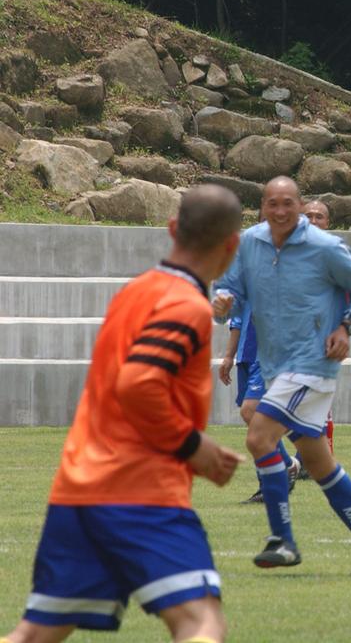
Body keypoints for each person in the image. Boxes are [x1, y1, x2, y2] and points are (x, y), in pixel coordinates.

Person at [3, 185, 243, 643]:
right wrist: (196, 448)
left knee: (35, 634)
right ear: (232, 244)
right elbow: (138, 383)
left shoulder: (136, 291)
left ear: (173, 230)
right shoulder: (187, 306)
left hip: (79, 489)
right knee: (201, 624)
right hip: (140, 492)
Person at [212, 176, 351, 575]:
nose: (280, 212)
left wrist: (346, 327)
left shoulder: (325, 247)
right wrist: (222, 303)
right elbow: (228, 290)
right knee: (319, 464)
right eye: (272, 204)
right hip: (276, 364)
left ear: (300, 206)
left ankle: (283, 540)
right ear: (262, 206)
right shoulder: (249, 244)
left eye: (288, 204)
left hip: (313, 363)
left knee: (259, 435)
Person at [301, 198, 351, 454]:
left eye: (319, 216)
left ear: (328, 222)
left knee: (317, 394)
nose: (313, 220)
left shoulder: (338, 255)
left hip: (326, 338)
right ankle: (309, 454)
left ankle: (320, 453)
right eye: (308, 215)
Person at [218, 297, 300, 502]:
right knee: (256, 424)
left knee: (250, 411)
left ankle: (285, 466)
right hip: (246, 355)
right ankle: (269, 484)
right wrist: (229, 356)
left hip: (269, 355)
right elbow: (236, 319)